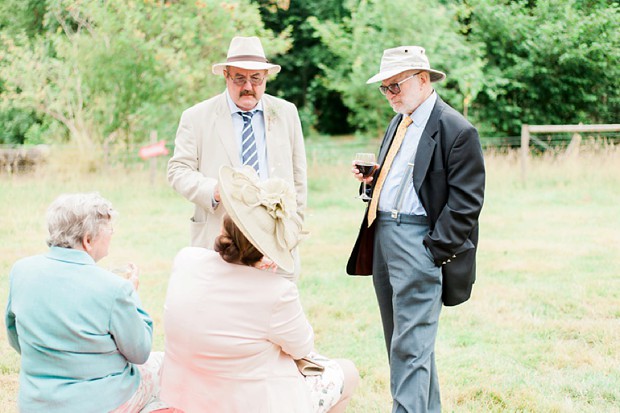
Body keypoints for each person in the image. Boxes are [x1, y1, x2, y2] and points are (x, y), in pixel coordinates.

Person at [347, 46, 486, 412]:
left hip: (419, 243)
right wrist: (373, 179)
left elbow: (466, 203)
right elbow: (405, 181)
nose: (390, 94)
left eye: (396, 85)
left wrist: (432, 250)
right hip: (383, 238)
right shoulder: (399, 121)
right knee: (404, 344)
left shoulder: (456, 129)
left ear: (423, 80)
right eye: (385, 88)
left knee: (410, 347)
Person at [161, 165, 359, 413]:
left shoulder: (186, 259)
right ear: (266, 250)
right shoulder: (277, 292)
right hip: (244, 403)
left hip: (184, 394)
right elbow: (302, 347)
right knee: (348, 373)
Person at [5, 192, 165, 413]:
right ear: (88, 240)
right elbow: (140, 352)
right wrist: (132, 294)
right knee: (165, 366)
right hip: (101, 403)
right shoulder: (114, 288)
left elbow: (16, 338)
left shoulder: (21, 270)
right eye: (109, 230)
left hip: (35, 403)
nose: (113, 234)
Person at [167, 35, 307, 282]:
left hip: (275, 238)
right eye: (239, 78)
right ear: (226, 76)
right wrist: (215, 190)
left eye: (256, 79)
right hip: (220, 237)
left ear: (265, 77)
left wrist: (293, 228)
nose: (248, 87)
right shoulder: (196, 116)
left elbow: (298, 178)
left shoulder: (286, 112)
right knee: (221, 313)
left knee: (273, 312)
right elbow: (178, 170)